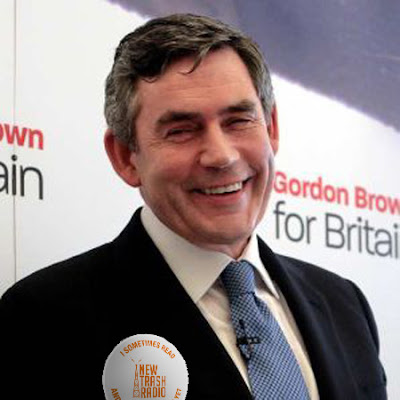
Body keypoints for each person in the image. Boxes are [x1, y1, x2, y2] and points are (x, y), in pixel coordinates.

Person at [0, 14, 387, 400]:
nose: (221, 155)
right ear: (125, 156)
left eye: (238, 121)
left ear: (272, 129)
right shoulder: (43, 320)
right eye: (181, 131)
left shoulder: (343, 305)